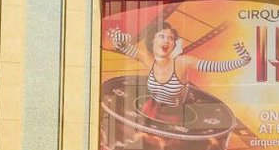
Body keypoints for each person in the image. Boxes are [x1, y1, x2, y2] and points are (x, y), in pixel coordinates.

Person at [107, 22, 251, 116]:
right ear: (153, 41)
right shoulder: (149, 61)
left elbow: (216, 67)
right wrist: (120, 39)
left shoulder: (182, 62)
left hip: (175, 116)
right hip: (150, 110)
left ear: (174, 44)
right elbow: (122, 47)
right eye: (162, 36)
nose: (166, 40)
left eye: (170, 38)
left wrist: (242, 61)